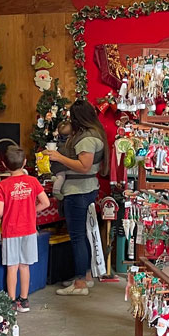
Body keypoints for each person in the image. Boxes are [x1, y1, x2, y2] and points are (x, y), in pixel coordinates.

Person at [45, 100, 109, 296]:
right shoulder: (94, 133)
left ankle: (80, 283)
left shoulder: (86, 139)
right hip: (86, 189)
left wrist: (58, 157)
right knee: (83, 235)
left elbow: (84, 166)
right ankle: (86, 276)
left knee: (78, 237)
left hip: (78, 191)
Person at [0, 147, 50, 313]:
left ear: (4, 165)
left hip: (10, 230)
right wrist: (32, 211)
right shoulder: (33, 181)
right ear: (24, 162)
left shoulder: (2, 185)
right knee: (25, 266)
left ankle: (11, 302)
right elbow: (46, 203)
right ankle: (24, 301)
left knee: (12, 267)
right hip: (29, 230)